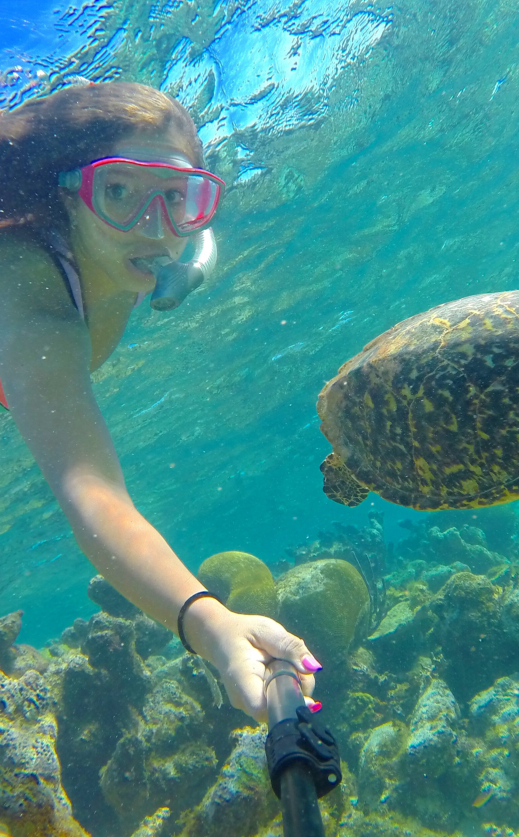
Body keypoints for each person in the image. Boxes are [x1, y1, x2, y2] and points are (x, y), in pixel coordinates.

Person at [0, 80, 321, 719]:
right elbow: (92, 492)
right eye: (118, 191)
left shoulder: (138, 254)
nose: (156, 229)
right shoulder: (33, 300)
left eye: (176, 197)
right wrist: (211, 625)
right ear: (67, 191)